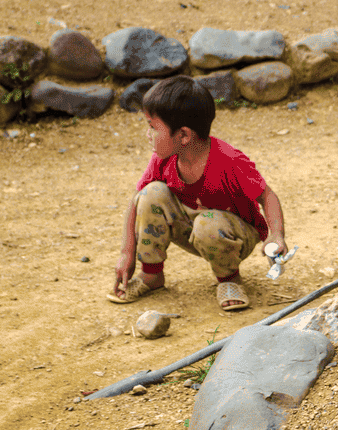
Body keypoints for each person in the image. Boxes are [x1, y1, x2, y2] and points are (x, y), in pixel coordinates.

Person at [107, 75, 288, 311]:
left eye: (153, 127)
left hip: (234, 235)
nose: (148, 134)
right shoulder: (164, 160)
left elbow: (267, 196)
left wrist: (276, 236)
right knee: (150, 194)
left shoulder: (230, 161)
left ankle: (229, 279)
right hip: (193, 226)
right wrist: (127, 253)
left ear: (183, 135)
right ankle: (151, 274)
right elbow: (136, 201)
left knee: (207, 223)